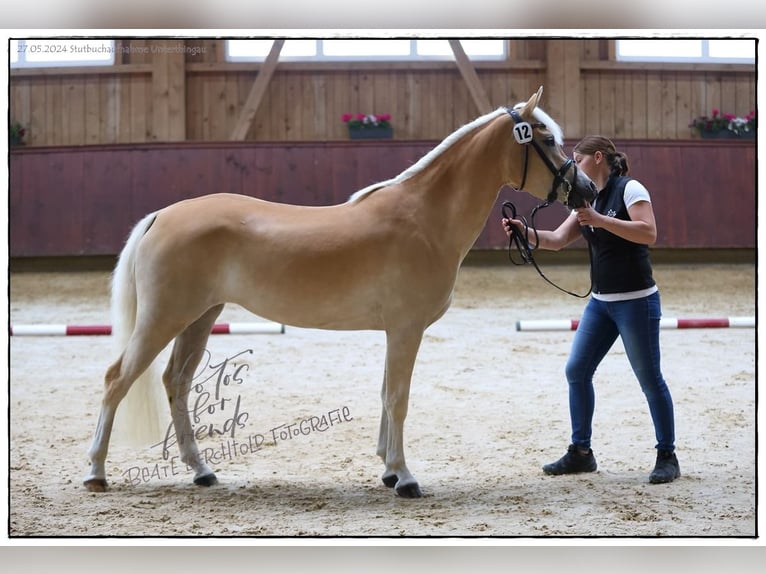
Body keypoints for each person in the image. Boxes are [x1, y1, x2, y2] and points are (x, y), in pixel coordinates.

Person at [502, 135, 680, 484]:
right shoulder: (584, 198)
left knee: (649, 379)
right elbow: (555, 241)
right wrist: (525, 231)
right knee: (577, 370)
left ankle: (667, 455)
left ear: (598, 157)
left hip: (637, 301)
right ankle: (581, 452)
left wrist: (600, 220)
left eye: (578, 159)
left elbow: (649, 233)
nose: (574, 165)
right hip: (601, 304)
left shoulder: (630, 189)